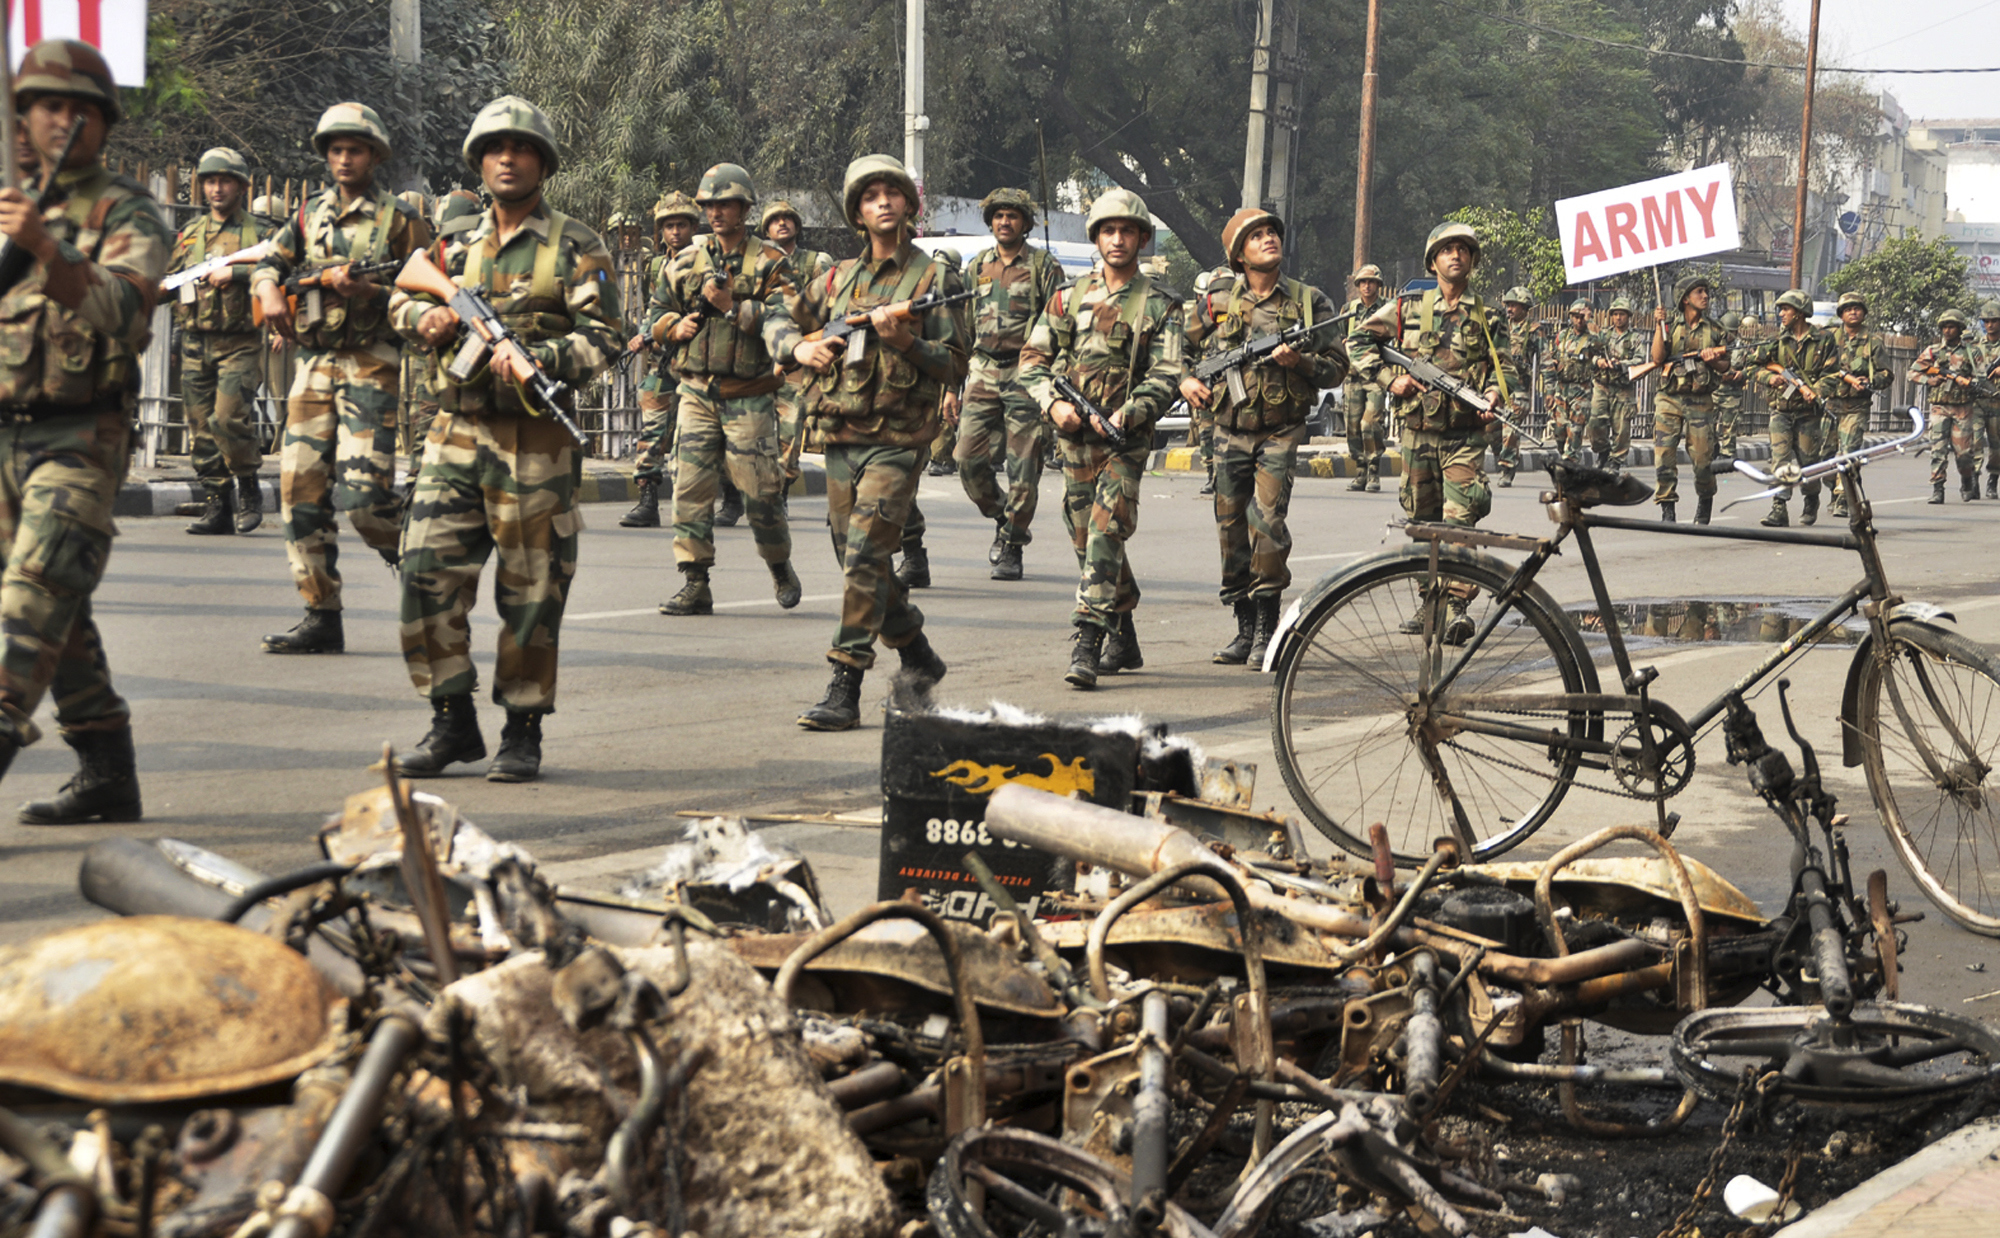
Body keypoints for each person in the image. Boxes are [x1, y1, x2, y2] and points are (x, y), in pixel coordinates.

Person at [388, 96, 620, 783]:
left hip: (536, 440)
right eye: (496, 149)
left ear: (542, 162)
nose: (508, 159)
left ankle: (523, 729)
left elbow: (604, 339)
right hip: (454, 431)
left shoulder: (577, 245)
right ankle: (451, 721)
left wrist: (540, 361)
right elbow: (401, 295)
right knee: (424, 573)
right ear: (479, 161)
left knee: (532, 591)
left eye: (521, 149)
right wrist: (423, 322)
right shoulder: (453, 245)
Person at [0, 39, 171, 822]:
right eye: (48, 104)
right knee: (55, 604)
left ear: (105, 121)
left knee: (32, 599)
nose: (64, 120)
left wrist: (45, 247)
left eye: (81, 108)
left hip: (79, 437)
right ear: (22, 116)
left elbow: (128, 314)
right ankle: (107, 766)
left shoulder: (126, 210)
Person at [786, 154, 961, 729]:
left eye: (892, 193)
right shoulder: (836, 280)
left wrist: (907, 342)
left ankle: (845, 684)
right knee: (856, 559)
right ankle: (914, 651)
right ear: (857, 212)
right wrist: (802, 347)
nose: (882, 201)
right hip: (840, 435)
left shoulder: (934, 281)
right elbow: (783, 321)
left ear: (909, 205)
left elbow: (955, 364)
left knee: (863, 555)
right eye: (870, 196)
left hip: (899, 438)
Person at [252, 102, 432, 654]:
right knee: (298, 490)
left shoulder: (399, 220)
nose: (345, 158)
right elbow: (270, 261)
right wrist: (265, 288)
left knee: (363, 496)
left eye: (355, 149)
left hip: (371, 361)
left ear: (374, 155)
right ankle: (320, 613)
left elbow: (429, 287)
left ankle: (413, 564)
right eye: (336, 149)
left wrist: (370, 292)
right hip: (313, 363)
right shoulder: (307, 216)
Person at [1020, 189, 1185, 690]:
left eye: (1127, 231)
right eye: (1109, 231)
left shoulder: (1160, 305)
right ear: (1096, 238)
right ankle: (1125, 632)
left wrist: (1128, 413)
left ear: (1140, 238)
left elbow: (1169, 371)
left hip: (1123, 441)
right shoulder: (1066, 298)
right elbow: (1032, 362)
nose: (1118, 239)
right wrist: (1054, 404)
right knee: (1084, 536)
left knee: (1106, 529)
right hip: (1072, 439)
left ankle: (1089, 638)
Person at [1181, 207, 1344, 670]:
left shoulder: (1310, 303)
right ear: (1239, 254)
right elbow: (1175, 348)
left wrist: (1301, 364)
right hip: (1227, 429)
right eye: (1256, 236)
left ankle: (1269, 627)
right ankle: (1244, 626)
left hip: (1280, 430)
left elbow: (1337, 367)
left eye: (1272, 232)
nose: (1268, 239)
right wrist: (1184, 381)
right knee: (1230, 529)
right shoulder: (1216, 300)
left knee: (1267, 523)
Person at [1350, 222, 1519, 642]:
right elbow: (1357, 343)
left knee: (1460, 520)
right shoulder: (1406, 307)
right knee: (1423, 520)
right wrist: (1392, 380)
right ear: (1433, 260)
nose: (1455, 255)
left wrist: (1495, 393)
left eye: (1463, 249)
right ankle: (1431, 603)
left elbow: (1507, 366)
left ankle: (1458, 606)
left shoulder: (1488, 314)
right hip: (1418, 433)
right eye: (1447, 250)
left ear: (1472, 261)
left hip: (1465, 435)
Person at [650, 163, 803, 616]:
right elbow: (656, 312)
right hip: (696, 392)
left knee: (762, 497)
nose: (716, 212)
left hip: (749, 394)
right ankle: (695, 582)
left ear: (744, 208)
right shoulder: (683, 261)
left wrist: (734, 307)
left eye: (725, 203)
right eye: (709, 205)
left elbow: (787, 318)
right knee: (690, 490)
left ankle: (778, 565)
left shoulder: (771, 262)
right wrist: (672, 327)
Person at [960, 188, 1065, 582]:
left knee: (1024, 469)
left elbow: (1059, 322)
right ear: (991, 221)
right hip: (982, 369)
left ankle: (1012, 544)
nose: (1005, 221)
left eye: (1013, 215)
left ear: (1025, 223)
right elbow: (965, 324)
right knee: (966, 460)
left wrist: (1051, 380)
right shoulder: (976, 267)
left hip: (1026, 374)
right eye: (999, 215)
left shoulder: (1043, 265)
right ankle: (1004, 515)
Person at [165, 147, 268, 536]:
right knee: (201, 428)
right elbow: (171, 280)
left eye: (225, 180)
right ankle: (217, 503)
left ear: (241, 186)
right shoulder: (190, 234)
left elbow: (284, 268)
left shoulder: (258, 233)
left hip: (238, 342)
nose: (216, 188)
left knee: (228, 419)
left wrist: (238, 274)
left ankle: (248, 486)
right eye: (210, 181)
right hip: (194, 341)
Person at [619, 190, 700, 528]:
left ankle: (730, 495)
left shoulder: (705, 260)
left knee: (707, 437)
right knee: (652, 429)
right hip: (664, 360)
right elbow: (655, 308)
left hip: (700, 362)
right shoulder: (656, 265)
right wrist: (644, 333)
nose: (675, 232)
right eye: (669, 226)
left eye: (681, 224)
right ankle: (648, 501)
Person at [1740, 289, 1835, 527]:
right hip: (1781, 410)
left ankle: (1811, 498)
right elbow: (1751, 365)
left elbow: (1832, 374)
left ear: (1800, 313)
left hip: (1809, 413)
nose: (1782, 313)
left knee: (1808, 463)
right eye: (1781, 309)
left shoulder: (1824, 339)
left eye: (1786, 309)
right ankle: (1778, 508)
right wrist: (1768, 378)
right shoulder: (1776, 340)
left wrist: (1816, 391)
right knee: (1780, 460)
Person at [1647, 274, 1731, 524]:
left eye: (1706, 292)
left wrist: (1712, 359)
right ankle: (1667, 507)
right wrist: (1658, 326)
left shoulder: (1715, 329)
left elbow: (1726, 366)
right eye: (1699, 292)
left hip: (1700, 401)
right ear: (1685, 299)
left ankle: (1705, 500)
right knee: (1663, 456)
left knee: (1703, 458)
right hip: (1669, 398)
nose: (1705, 296)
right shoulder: (1669, 324)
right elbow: (1657, 359)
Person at [762, 198, 833, 487]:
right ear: (765, 228)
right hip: (759, 355)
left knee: (790, 428)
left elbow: (829, 310)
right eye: (775, 219)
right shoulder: (756, 262)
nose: (782, 222)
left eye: (788, 218)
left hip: (797, 357)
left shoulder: (816, 262)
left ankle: (781, 490)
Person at [1821, 291, 1892, 518]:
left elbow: (1887, 374)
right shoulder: (1828, 338)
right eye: (1848, 309)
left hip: (1855, 407)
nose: (1853, 311)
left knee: (1849, 453)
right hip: (1829, 405)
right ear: (1841, 314)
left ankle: (1844, 498)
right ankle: (1834, 489)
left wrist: (1870, 381)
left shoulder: (1873, 343)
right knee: (1823, 456)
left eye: (1857, 308)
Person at [1911, 307, 1981, 505]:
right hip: (1939, 407)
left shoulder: (1971, 351)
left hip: (1962, 408)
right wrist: (1930, 380)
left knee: (1964, 453)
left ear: (1960, 329)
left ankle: (1967, 480)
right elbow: (1913, 373)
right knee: (1938, 449)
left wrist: (1968, 381)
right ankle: (1937, 488)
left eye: (1952, 327)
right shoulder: (1933, 351)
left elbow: (1982, 378)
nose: (1948, 331)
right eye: (1945, 327)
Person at [1343, 265, 1390, 490]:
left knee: (1369, 424)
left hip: (1376, 377)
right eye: (1363, 282)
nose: (1367, 286)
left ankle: (1373, 471)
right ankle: (1360, 471)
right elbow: (1337, 337)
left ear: (1378, 285)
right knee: (1352, 426)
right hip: (1352, 376)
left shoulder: (1388, 310)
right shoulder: (1348, 310)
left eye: (1371, 282)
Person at [1588, 296, 1643, 472]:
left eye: (1622, 314)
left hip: (1623, 388)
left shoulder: (1636, 338)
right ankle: (1602, 451)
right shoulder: (1604, 335)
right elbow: (1591, 353)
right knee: (1595, 421)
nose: (1618, 318)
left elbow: (1640, 359)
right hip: (1602, 385)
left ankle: (1615, 461)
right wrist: (1599, 361)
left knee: (1621, 428)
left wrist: (1621, 365)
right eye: (1615, 314)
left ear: (1628, 316)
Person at [1495, 285, 1540, 487]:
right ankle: (1506, 455)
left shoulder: (1533, 331)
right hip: (1497, 387)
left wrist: (1550, 390)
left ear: (1524, 307)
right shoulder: (1500, 326)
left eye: (1514, 305)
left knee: (1510, 427)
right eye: (1508, 304)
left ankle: (1507, 467)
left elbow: (1546, 361)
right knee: (1490, 428)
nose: (1510, 308)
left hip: (1519, 389)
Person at [1548, 300, 1599, 464]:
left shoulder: (1592, 338)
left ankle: (1570, 460)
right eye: (1576, 317)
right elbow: (1554, 356)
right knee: (1559, 430)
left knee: (1575, 429)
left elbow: (1602, 345)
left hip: (1581, 391)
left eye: (1582, 317)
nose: (1579, 320)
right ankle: (1565, 452)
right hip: (1562, 389)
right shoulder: (1562, 336)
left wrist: (1591, 322)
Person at [1970, 300, 2000, 501]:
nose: (1990, 325)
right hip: (1978, 401)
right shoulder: (1974, 346)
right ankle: (1974, 481)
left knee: (1997, 445)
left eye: (1994, 320)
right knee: (1975, 441)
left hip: (1998, 402)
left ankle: (1993, 481)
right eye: (1986, 321)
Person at [1714, 310, 1748, 462]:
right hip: (1714, 391)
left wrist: (1743, 374)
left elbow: (1752, 366)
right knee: (1707, 424)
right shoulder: (1714, 345)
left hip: (1732, 394)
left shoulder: (1743, 347)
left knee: (1730, 426)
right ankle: (1711, 450)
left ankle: (1727, 454)